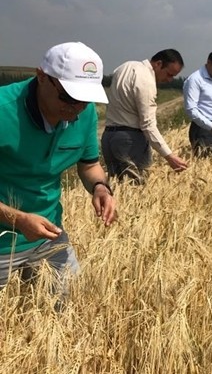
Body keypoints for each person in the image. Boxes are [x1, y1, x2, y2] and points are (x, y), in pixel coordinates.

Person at [0, 42, 117, 299]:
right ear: (41, 76)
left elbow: (89, 164)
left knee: (69, 309)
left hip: (49, 235)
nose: (77, 109)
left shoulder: (84, 114)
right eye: (69, 97)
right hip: (2, 243)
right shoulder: (3, 110)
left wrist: (100, 187)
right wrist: (18, 220)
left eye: (86, 100)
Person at [101, 49, 189, 183]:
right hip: (130, 140)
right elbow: (148, 125)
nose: (169, 80)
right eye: (169, 74)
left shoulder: (125, 67)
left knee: (116, 188)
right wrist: (170, 156)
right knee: (135, 189)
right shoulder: (146, 81)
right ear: (158, 64)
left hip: (109, 137)